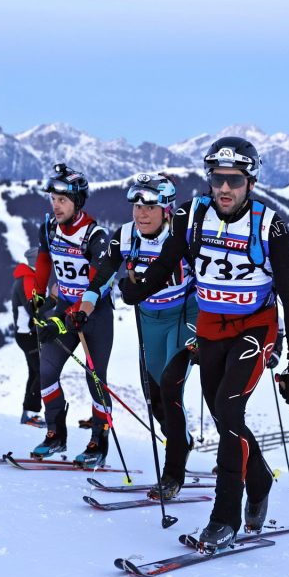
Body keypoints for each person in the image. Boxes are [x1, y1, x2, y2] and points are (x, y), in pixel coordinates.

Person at [119, 137, 289, 552]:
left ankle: (224, 519)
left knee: (228, 407)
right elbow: (168, 260)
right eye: (218, 178)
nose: (224, 188)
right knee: (226, 418)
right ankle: (259, 480)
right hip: (209, 328)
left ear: (250, 182)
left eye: (234, 180)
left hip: (254, 328)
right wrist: (140, 289)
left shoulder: (268, 225)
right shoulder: (191, 214)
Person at [77, 173, 200, 497]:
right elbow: (103, 276)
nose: (141, 213)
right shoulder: (126, 236)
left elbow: (207, 275)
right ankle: (182, 441)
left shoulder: (182, 236)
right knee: (155, 397)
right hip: (149, 320)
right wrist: (84, 309)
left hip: (185, 315)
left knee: (171, 387)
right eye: (137, 206)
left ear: (166, 209)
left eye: (150, 207)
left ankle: (173, 474)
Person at [29, 164, 114, 466]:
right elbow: (43, 259)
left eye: (62, 200)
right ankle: (55, 434)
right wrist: (38, 294)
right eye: (53, 199)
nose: (56, 206)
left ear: (77, 202)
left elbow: (95, 283)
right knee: (47, 371)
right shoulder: (49, 228)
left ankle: (98, 442)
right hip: (64, 307)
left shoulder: (95, 236)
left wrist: (69, 314)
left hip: (94, 313)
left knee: (95, 379)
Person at [12, 247, 44, 427]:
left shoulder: (28, 278)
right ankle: (30, 413)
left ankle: (29, 413)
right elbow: (34, 309)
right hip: (28, 335)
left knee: (35, 372)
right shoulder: (28, 279)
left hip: (28, 333)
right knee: (41, 372)